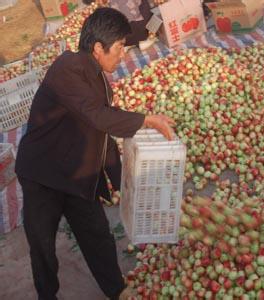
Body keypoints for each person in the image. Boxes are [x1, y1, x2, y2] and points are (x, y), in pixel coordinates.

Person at [15, 7, 174, 300]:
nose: (123, 55)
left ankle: (117, 289)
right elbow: (99, 117)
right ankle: (47, 296)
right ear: (98, 48)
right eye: (119, 49)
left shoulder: (99, 76)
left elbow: (101, 133)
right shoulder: (67, 69)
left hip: (77, 175)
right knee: (43, 248)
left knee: (97, 235)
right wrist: (147, 119)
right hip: (43, 176)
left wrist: (123, 181)